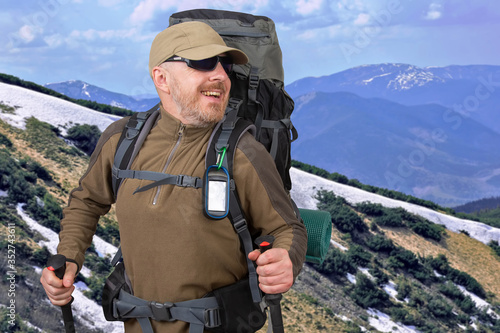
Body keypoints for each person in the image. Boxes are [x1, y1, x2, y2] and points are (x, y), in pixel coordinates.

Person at [40, 21, 307, 332]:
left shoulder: (242, 152)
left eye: (224, 64)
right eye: (203, 63)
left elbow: (287, 227)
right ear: (162, 78)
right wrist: (68, 258)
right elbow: (86, 202)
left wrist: (286, 259)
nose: (220, 75)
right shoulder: (121, 140)